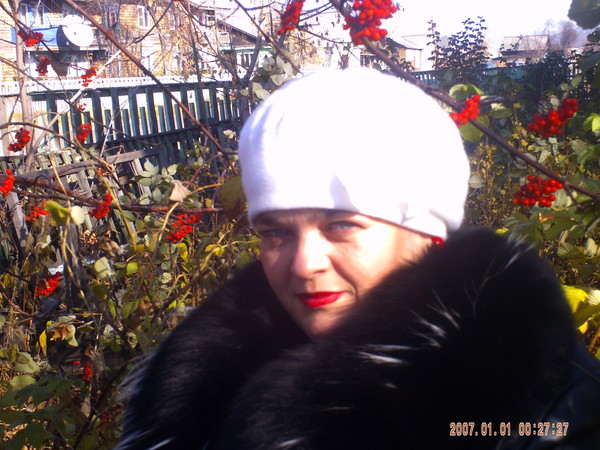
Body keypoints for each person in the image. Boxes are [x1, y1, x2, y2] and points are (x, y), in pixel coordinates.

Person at [117, 68, 600, 449]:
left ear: (427, 234)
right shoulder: (202, 392)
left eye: (341, 226)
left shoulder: (552, 415)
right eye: (276, 233)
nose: (304, 265)